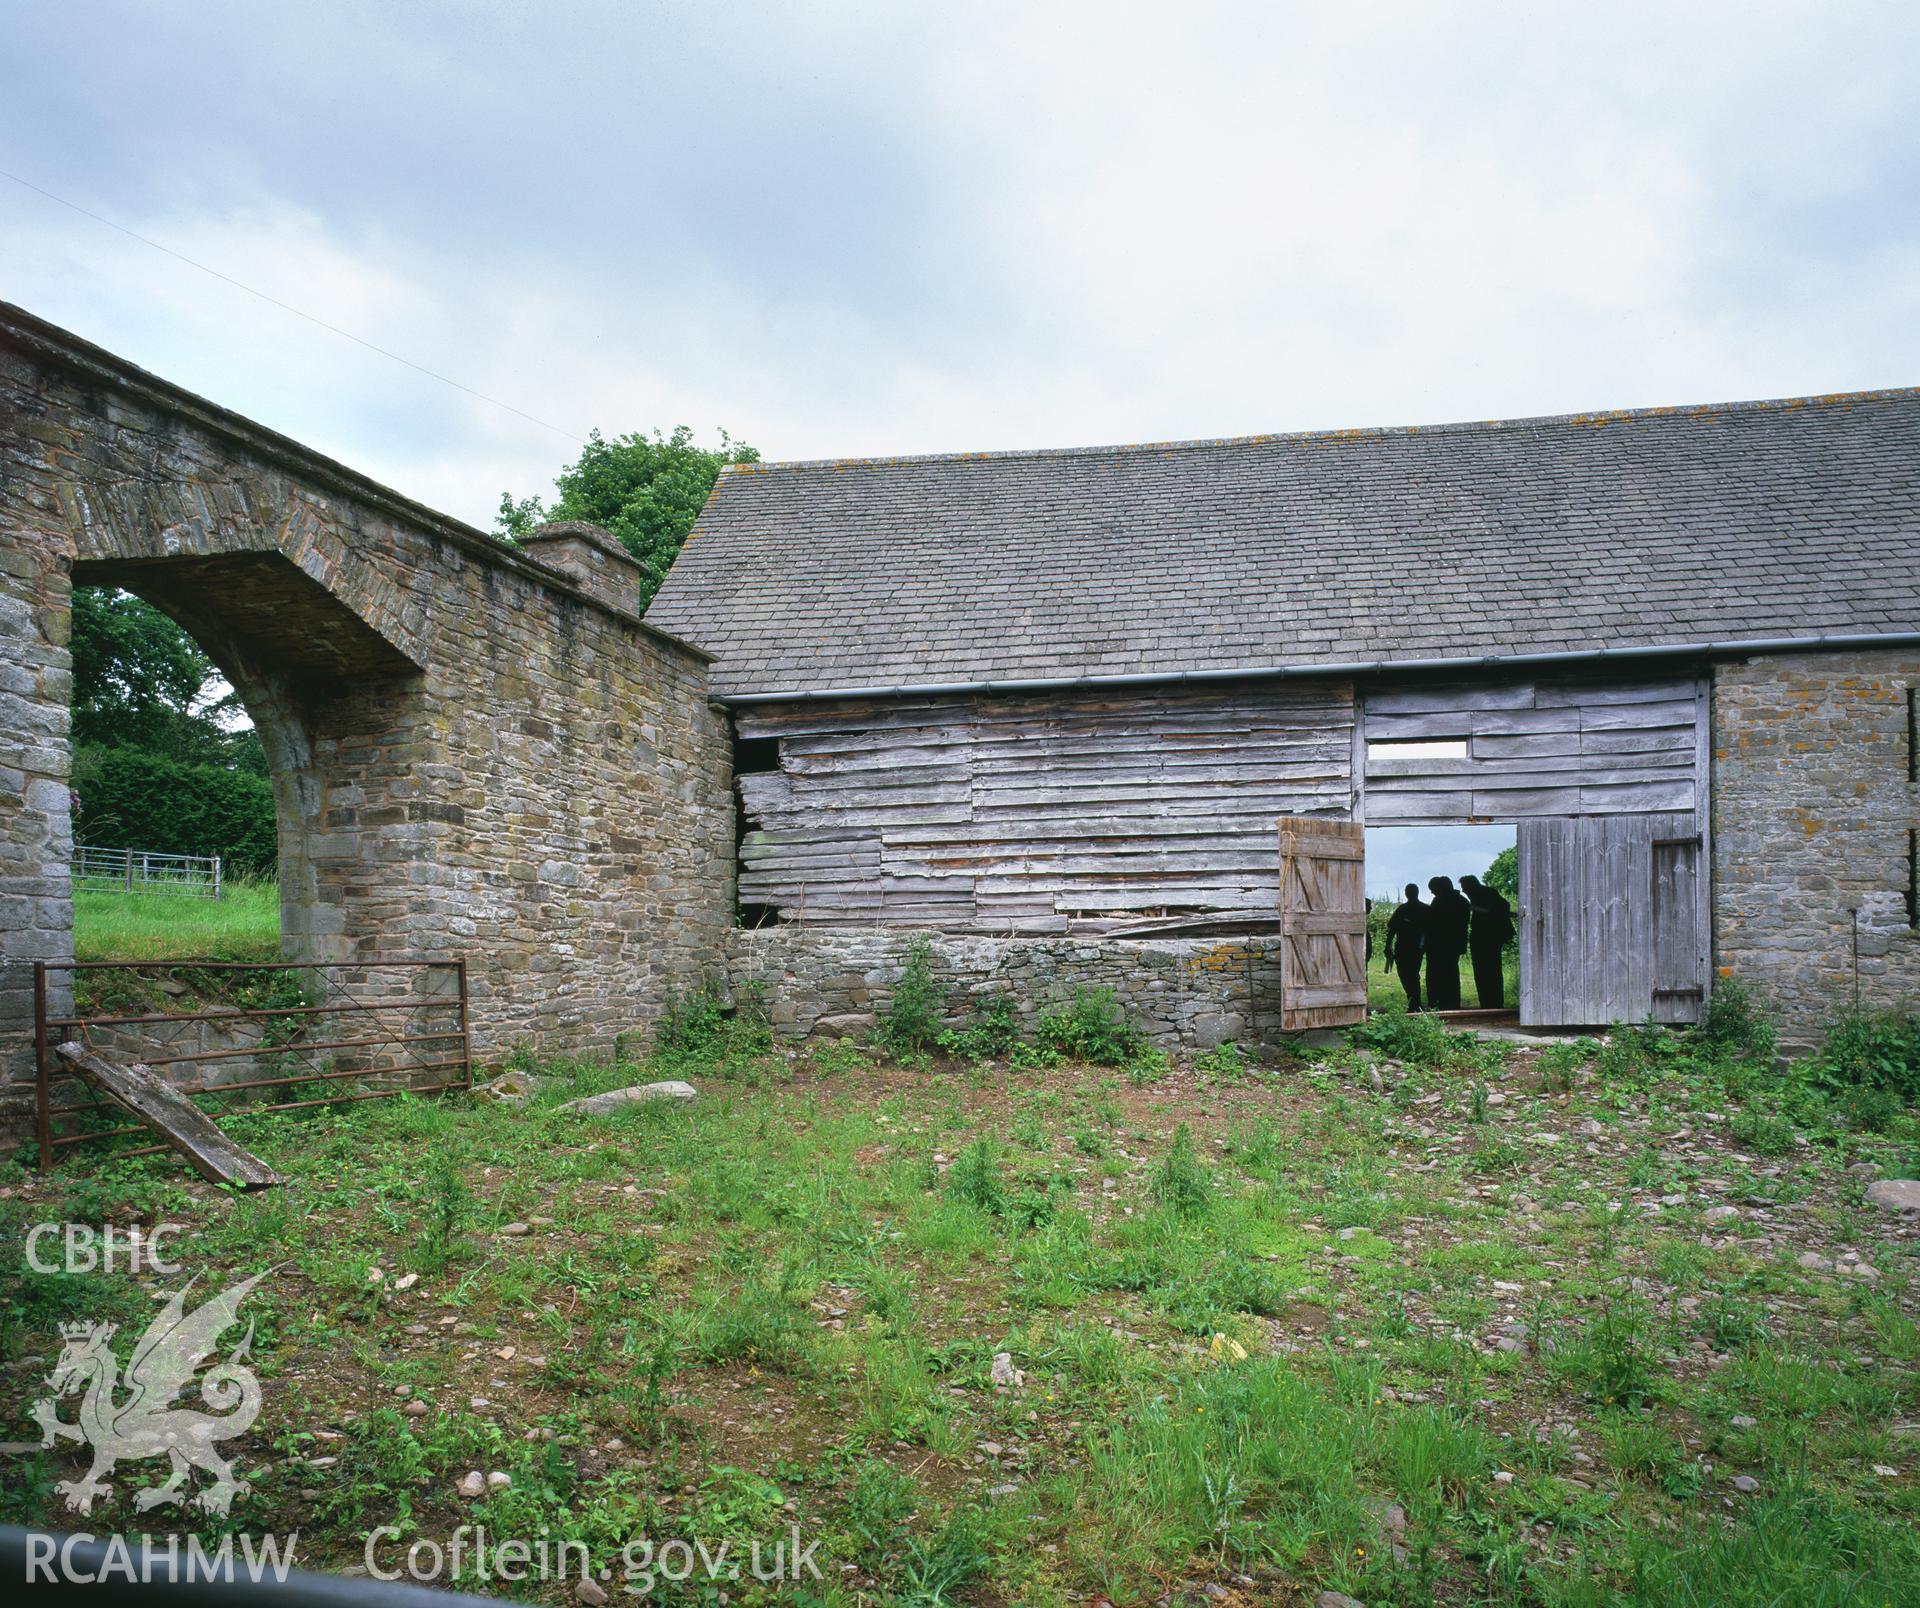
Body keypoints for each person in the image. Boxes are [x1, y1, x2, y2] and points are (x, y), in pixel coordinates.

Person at [1459, 873, 1516, 1010]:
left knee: (1484, 971)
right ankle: (1493, 1002)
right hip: (1490, 938)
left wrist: (1475, 909)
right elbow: (1503, 906)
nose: (1463, 891)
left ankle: (1489, 1002)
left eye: (1464, 888)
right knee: (1492, 970)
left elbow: (1499, 908)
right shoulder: (1487, 893)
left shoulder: (1482, 895)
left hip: (1485, 938)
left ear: (1470, 886)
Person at [1424, 875, 1471, 1010]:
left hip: (1438, 945)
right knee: (1451, 973)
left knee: (1436, 974)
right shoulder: (1462, 901)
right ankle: (1452, 1002)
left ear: (1440, 888)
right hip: (1454, 945)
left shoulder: (1439, 901)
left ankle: (1437, 1003)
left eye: (1433, 889)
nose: (1432, 892)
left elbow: (1432, 923)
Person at [1383, 882, 1428, 1011]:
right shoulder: (1425, 909)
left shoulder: (1402, 909)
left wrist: (1388, 944)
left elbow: (1392, 929)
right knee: (1413, 974)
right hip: (1416, 948)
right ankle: (1414, 1002)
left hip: (1404, 947)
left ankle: (1414, 1003)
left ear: (1407, 894)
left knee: (1406, 974)